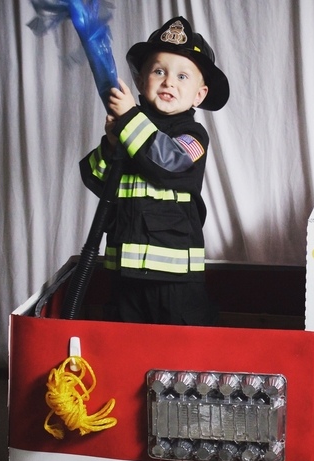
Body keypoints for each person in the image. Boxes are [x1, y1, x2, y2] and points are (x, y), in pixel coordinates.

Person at [79, 16, 229, 325]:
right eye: (159, 71)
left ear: (199, 95)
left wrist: (130, 121)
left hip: (172, 277)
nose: (169, 82)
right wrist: (110, 144)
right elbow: (96, 179)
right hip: (125, 272)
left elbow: (168, 163)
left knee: (181, 346)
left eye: (183, 76)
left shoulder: (192, 136)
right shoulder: (130, 129)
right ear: (140, 81)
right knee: (124, 345)